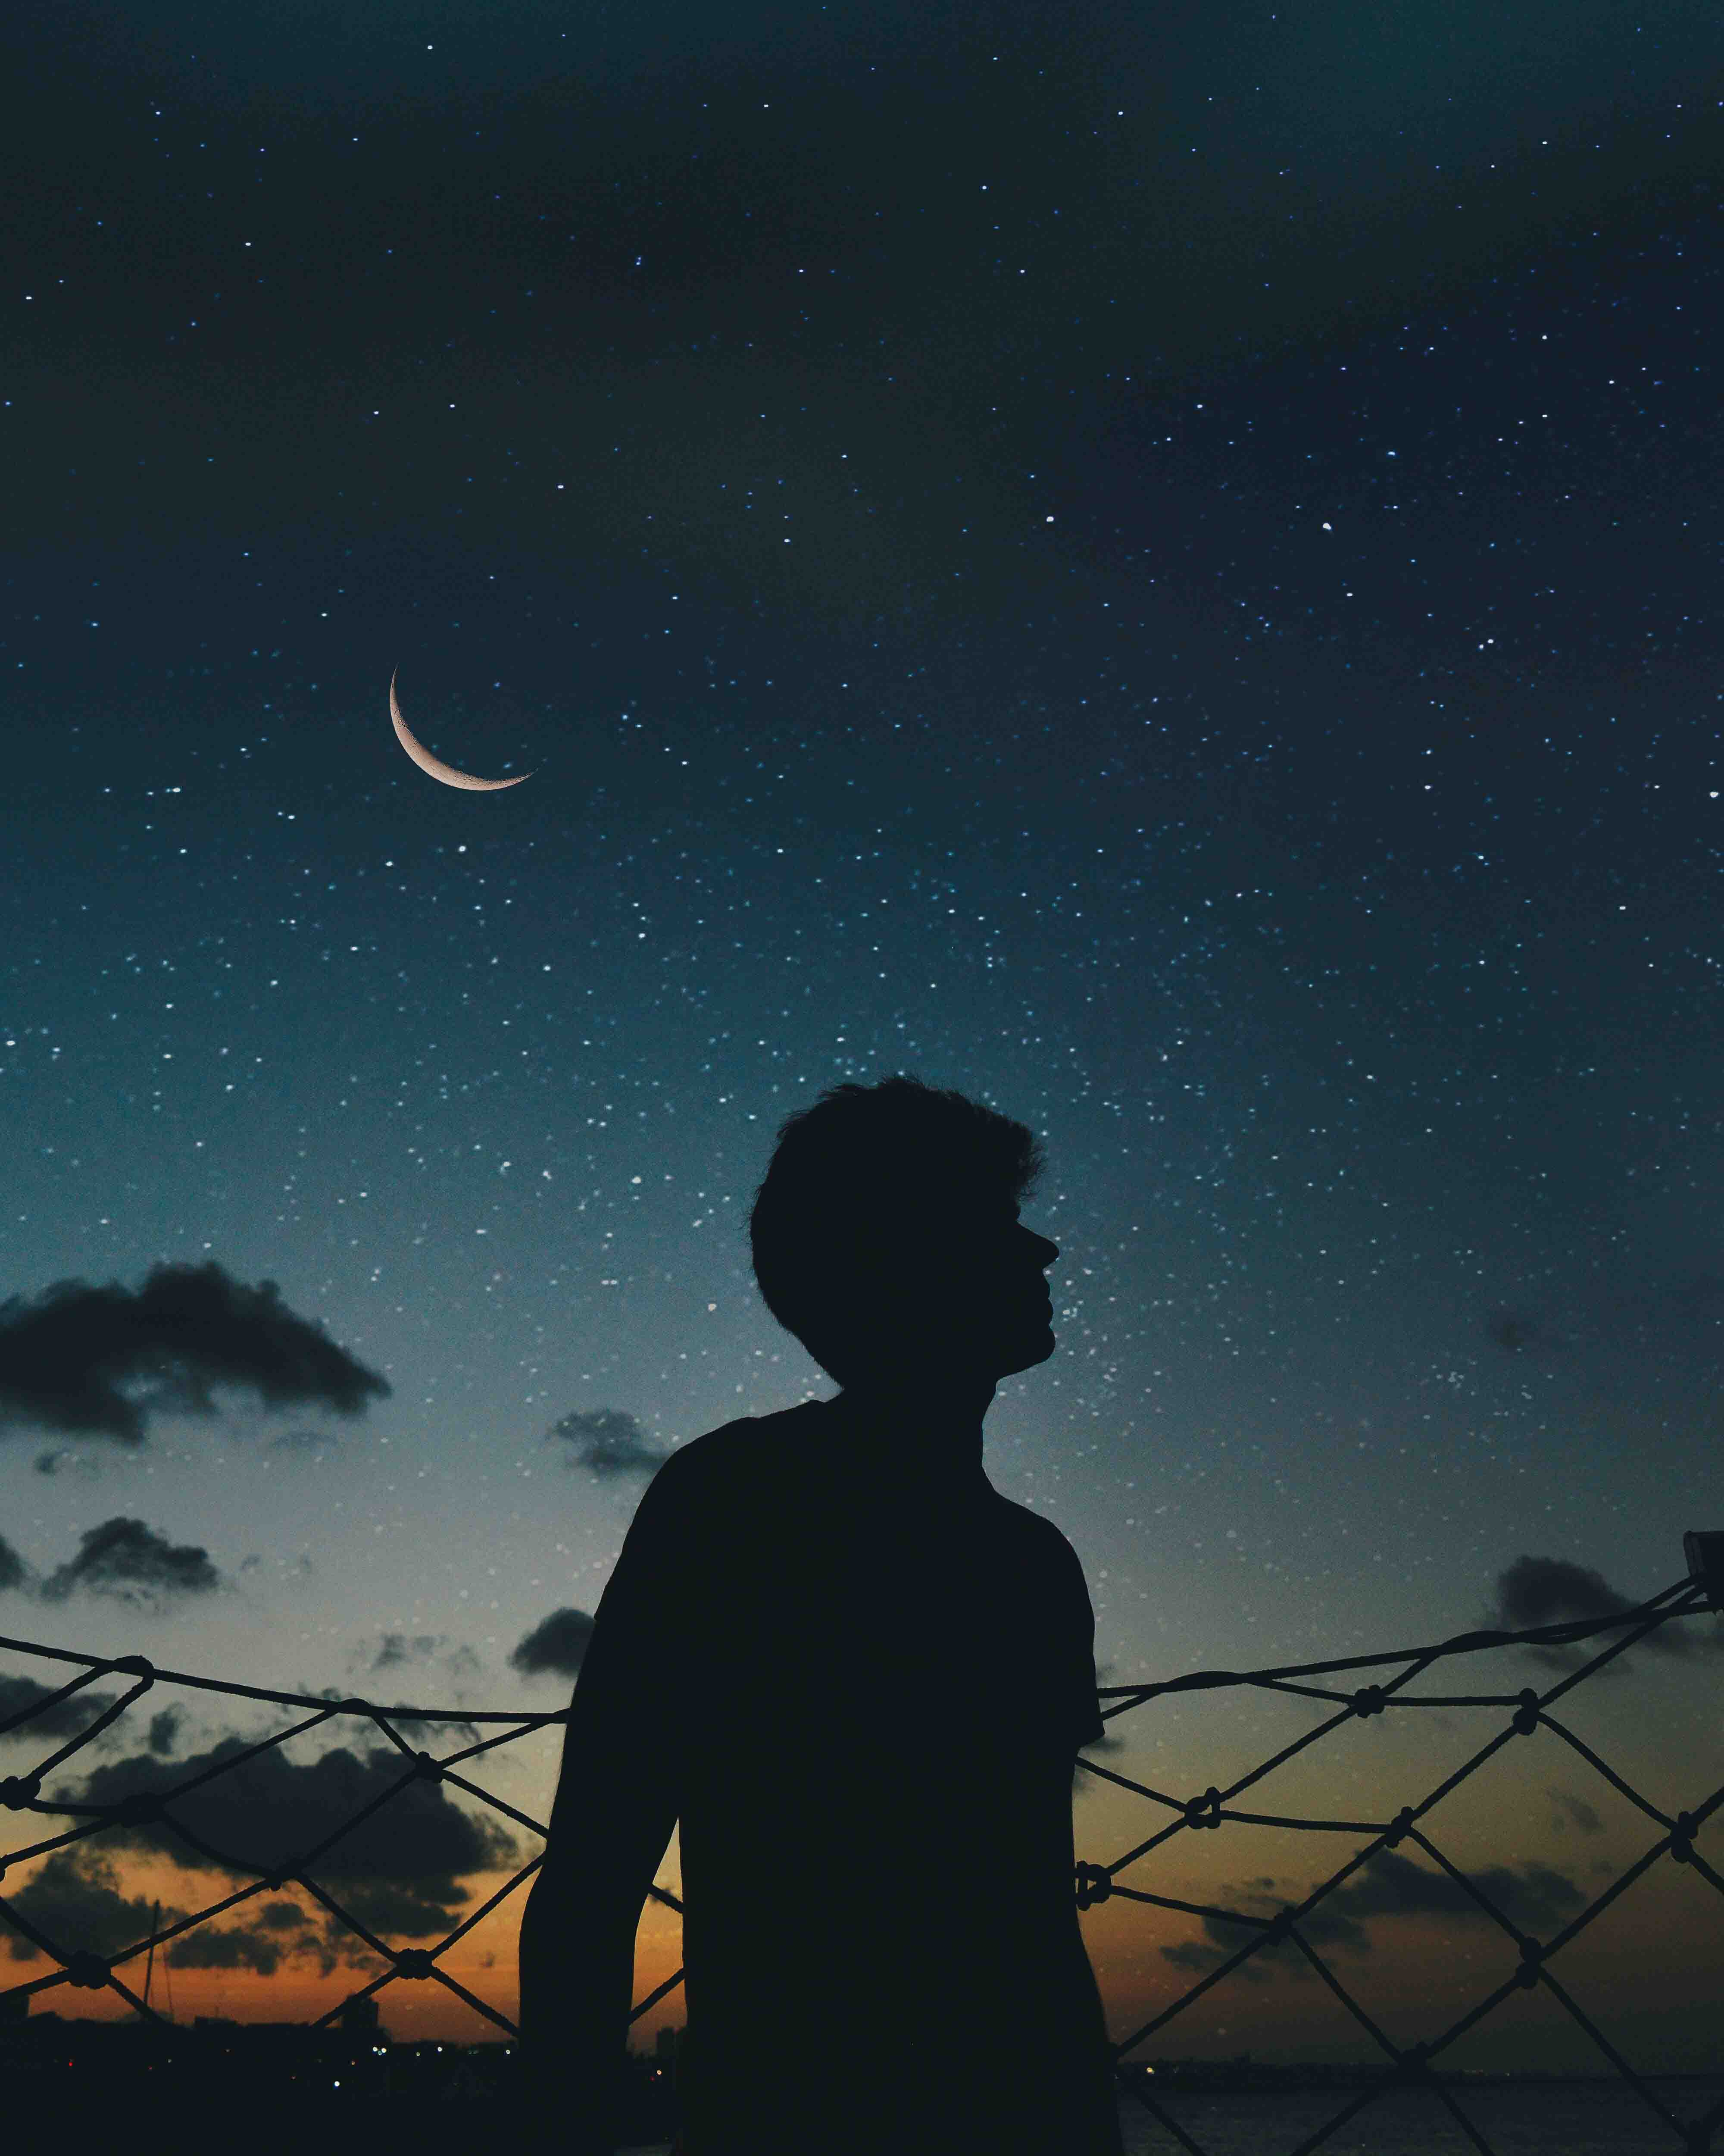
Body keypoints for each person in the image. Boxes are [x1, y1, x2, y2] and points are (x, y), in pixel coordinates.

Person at [517, 1075, 1123, 2156]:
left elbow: (1027, 1913)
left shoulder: (1023, 1558)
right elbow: (595, 1872)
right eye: (993, 1228)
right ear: (903, 1262)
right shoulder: (741, 1505)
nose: (1043, 1254)